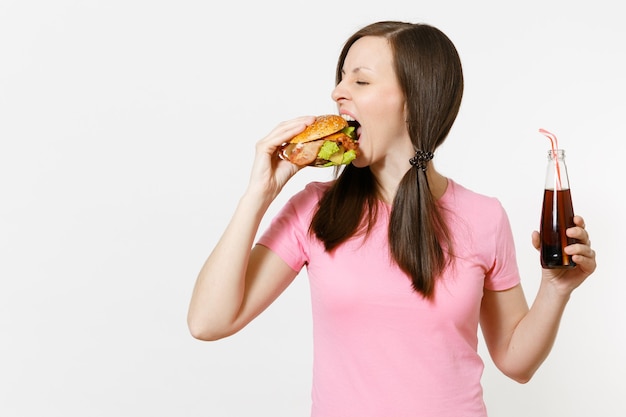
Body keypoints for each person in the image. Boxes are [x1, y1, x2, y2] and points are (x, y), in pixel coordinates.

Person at [187, 21, 596, 417]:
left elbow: (515, 362)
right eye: (341, 78)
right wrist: (259, 194)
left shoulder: (483, 216)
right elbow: (208, 322)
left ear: (415, 101)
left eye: (360, 81)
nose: (336, 92)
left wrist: (556, 289)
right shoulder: (315, 209)